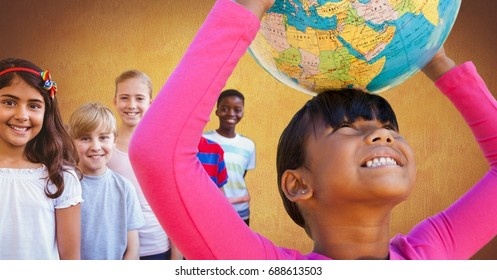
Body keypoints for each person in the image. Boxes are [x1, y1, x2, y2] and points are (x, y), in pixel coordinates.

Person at [129, 0, 497, 260]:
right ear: (298, 183)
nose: (383, 135)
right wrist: (247, 8)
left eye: (387, 126)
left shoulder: (428, 255)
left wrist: (436, 59)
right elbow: (159, 154)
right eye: (346, 128)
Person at [0, 58, 82, 260]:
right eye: (9, 102)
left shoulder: (59, 177)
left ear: (47, 113)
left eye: (34, 106)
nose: (22, 115)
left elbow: (70, 259)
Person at [107, 70, 182, 260]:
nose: (131, 105)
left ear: (151, 102)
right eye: (124, 98)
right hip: (115, 247)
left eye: (139, 98)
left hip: (156, 247)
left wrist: (176, 258)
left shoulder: (162, 148)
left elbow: (174, 206)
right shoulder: (104, 149)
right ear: (115, 101)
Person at [68, 102, 144, 260]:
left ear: (114, 140)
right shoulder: (65, 184)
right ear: (72, 142)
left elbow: (133, 248)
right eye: (85, 138)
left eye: (103, 137)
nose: (96, 146)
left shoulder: (124, 188)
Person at [203, 89, 256, 225]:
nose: (231, 114)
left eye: (237, 109)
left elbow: (240, 176)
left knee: (240, 246)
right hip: (211, 209)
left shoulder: (248, 145)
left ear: (243, 113)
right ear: (217, 111)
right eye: (225, 109)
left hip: (240, 210)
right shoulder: (204, 140)